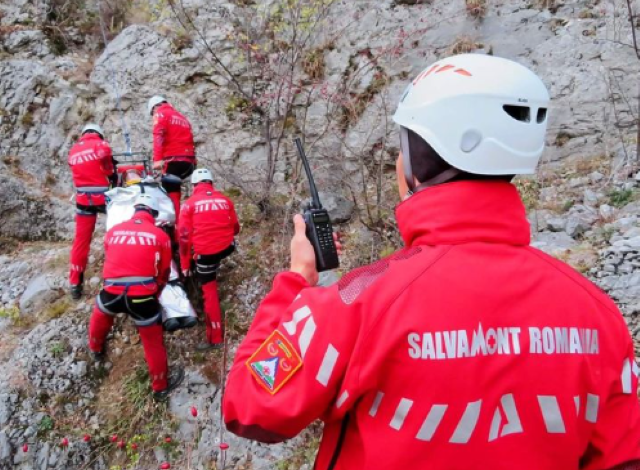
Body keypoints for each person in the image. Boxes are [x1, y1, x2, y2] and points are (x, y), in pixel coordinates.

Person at [222, 54, 640, 469]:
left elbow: (250, 407)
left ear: (415, 164)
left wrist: (295, 281)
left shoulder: (358, 301)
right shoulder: (597, 314)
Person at [87, 194, 184, 400]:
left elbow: (111, 257)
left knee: (101, 312)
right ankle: (160, 387)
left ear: (135, 210)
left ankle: (95, 348)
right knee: (153, 342)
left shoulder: (114, 231)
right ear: (153, 213)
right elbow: (165, 271)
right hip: (142, 297)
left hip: (112, 292)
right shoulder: (160, 236)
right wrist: (156, 293)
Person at [178, 168, 240, 350]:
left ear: (194, 186)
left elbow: (184, 238)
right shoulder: (225, 200)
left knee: (209, 290)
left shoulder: (189, 205)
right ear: (211, 183)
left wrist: (184, 265)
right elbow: (235, 228)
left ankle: (215, 338)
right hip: (227, 247)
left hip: (206, 253)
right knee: (212, 259)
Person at [68, 123, 116, 300]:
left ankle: (75, 284)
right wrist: (112, 174)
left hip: (83, 199)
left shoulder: (73, 150)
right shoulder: (100, 144)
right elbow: (107, 166)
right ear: (98, 134)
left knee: (81, 241)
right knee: (115, 233)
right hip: (103, 197)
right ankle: (114, 277)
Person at [148, 95, 196, 223]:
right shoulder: (181, 117)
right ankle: (184, 219)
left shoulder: (161, 114)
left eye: (152, 113)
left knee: (170, 194)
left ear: (154, 107)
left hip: (173, 160)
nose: (153, 115)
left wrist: (157, 160)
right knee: (177, 191)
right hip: (189, 161)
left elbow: (158, 136)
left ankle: (176, 225)